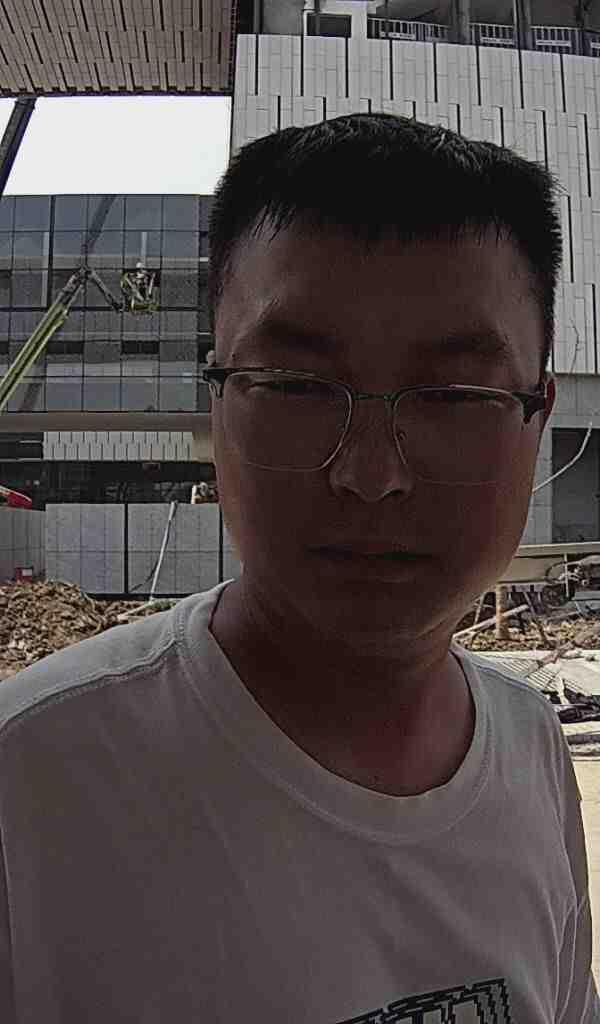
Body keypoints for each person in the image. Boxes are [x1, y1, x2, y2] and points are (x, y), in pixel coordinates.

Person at [0, 113, 597, 1023]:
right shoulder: (33, 786)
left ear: (537, 414)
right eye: (296, 387)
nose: (372, 473)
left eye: (452, 396)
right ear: (216, 401)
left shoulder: (534, 749)